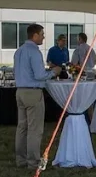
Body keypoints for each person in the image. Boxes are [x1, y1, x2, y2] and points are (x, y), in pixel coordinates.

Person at [13, 24, 61, 168]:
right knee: (34, 129)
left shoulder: (19, 50)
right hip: (33, 92)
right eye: (42, 34)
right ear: (35, 35)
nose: (43, 37)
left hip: (20, 91)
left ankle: (20, 159)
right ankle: (33, 161)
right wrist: (54, 72)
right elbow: (39, 75)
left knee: (22, 127)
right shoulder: (34, 51)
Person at [70, 32, 96, 123]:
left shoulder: (78, 49)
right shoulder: (91, 49)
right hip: (91, 75)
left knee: (82, 98)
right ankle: (92, 118)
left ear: (80, 39)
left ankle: (85, 118)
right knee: (90, 98)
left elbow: (74, 63)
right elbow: (94, 61)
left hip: (81, 75)